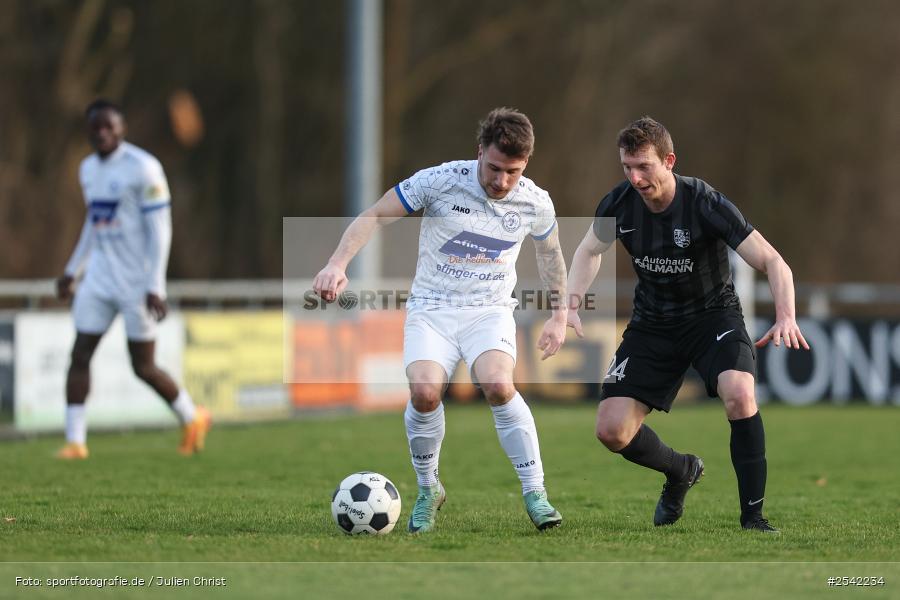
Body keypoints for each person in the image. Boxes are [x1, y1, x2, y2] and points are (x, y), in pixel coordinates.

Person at [313, 108, 568, 532]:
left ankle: (535, 492)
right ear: (478, 152)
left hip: (489, 311)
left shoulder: (535, 201)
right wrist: (337, 264)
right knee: (426, 393)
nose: (502, 181)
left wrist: (561, 312)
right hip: (431, 309)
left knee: (499, 385)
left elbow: (550, 254)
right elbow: (376, 214)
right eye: (494, 168)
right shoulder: (440, 180)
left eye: (513, 171)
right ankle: (429, 489)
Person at [566, 116, 809, 532]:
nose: (635, 178)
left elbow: (772, 261)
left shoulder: (705, 203)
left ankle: (753, 516)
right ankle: (680, 470)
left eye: (644, 166)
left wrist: (786, 314)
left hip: (712, 317)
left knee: (739, 393)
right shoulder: (618, 204)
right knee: (611, 431)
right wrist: (570, 304)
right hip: (652, 324)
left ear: (669, 161)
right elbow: (589, 251)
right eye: (627, 167)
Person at [55, 99, 210, 459]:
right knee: (80, 354)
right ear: (89, 131)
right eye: (96, 127)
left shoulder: (144, 168)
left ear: (122, 128)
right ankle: (75, 442)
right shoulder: (87, 169)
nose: (103, 133)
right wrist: (71, 270)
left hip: (137, 283)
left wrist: (156, 286)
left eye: (110, 126)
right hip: (98, 279)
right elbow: (94, 224)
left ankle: (192, 417)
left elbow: (161, 231)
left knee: (143, 366)